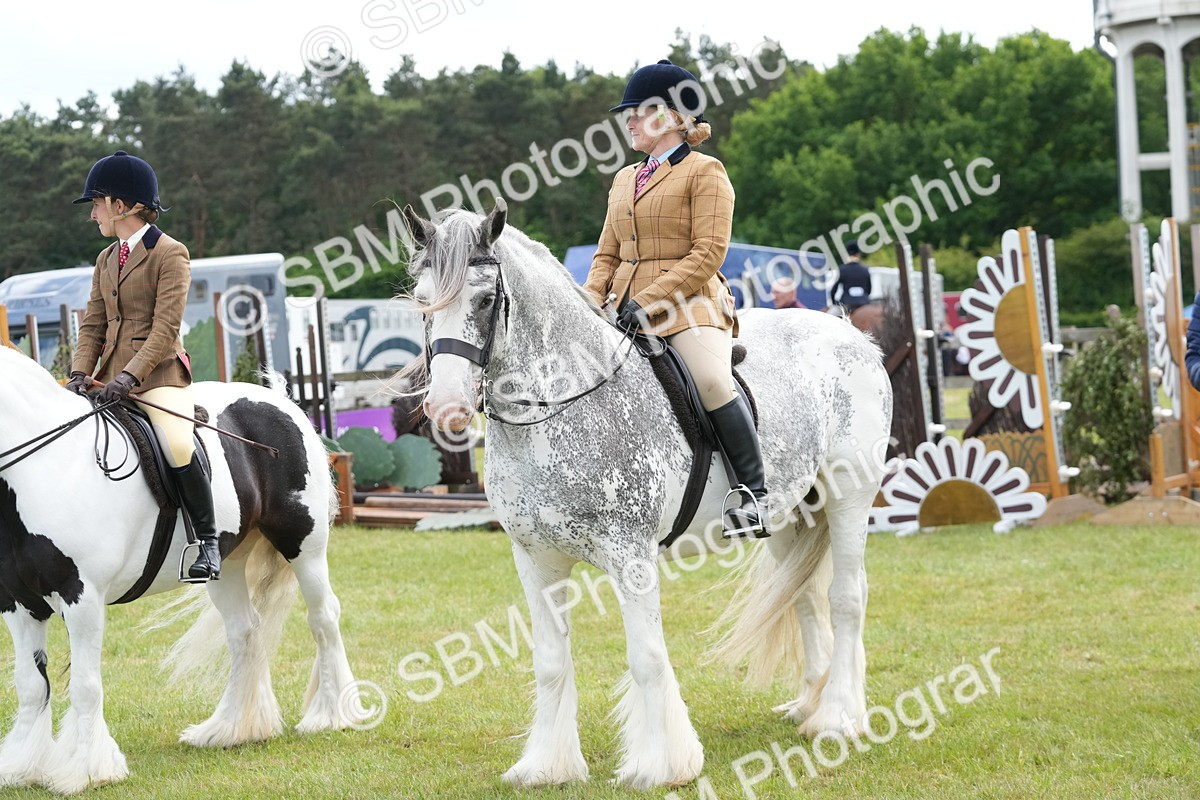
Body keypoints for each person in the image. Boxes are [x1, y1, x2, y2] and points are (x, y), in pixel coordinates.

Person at [582, 58, 769, 539]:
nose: (629, 121)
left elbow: (708, 253)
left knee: (710, 379)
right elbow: (607, 252)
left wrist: (649, 301)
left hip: (690, 303)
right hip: (622, 306)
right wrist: (588, 300)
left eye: (639, 111)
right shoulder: (624, 179)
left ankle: (753, 494)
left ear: (671, 116)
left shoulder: (706, 172)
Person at [65, 151, 221, 581]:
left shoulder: (170, 253)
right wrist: (80, 373)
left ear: (121, 206)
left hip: (156, 378)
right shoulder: (104, 259)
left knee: (176, 443)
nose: (92, 213)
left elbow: (164, 329)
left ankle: (207, 543)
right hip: (109, 379)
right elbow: (93, 324)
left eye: (96, 203)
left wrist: (130, 377)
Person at [830, 240, 872, 312]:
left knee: (829, 318)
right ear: (858, 254)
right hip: (864, 301)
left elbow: (834, 289)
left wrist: (834, 302)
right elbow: (869, 289)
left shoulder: (842, 269)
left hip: (847, 302)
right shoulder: (865, 269)